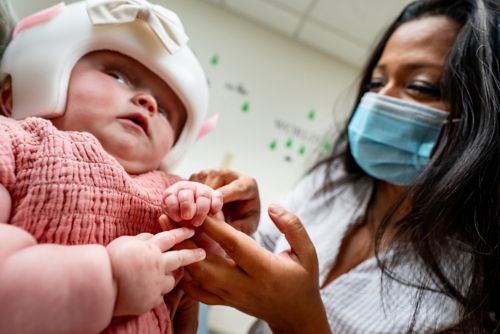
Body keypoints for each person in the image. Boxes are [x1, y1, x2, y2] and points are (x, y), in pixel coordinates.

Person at [177, 0, 500, 332]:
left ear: (487, 118)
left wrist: (299, 322)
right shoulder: (334, 181)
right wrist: (235, 228)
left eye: (420, 86)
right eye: (376, 84)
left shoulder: (479, 285)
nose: (380, 101)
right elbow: (259, 263)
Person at [0, 0, 223, 333]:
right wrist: (111, 280)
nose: (148, 103)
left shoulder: (170, 190)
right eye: (118, 75)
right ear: (17, 93)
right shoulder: (15, 142)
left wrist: (203, 220)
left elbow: (206, 272)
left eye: (164, 111)